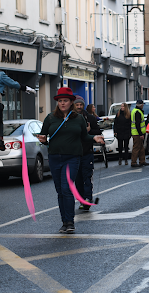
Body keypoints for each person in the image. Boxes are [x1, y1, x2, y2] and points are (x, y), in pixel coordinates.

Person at [37, 87, 104, 234]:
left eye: (65, 101)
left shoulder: (79, 119)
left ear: (71, 102)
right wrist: (42, 139)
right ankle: (64, 222)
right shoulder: (50, 118)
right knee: (60, 191)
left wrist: (94, 138)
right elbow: (44, 137)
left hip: (72, 158)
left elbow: (83, 137)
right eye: (60, 101)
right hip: (55, 158)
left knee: (67, 188)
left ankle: (70, 222)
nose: (62, 103)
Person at [74, 95, 101, 210]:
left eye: (81, 105)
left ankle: (87, 199)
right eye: (77, 105)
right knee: (78, 179)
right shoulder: (70, 118)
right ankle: (81, 199)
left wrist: (89, 132)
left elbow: (98, 131)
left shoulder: (90, 117)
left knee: (87, 177)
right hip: (74, 153)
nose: (79, 107)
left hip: (87, 152)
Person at [130, 100, 149, 167]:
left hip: (136, 132)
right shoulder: (138, 112)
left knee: (141, 147)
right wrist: (140, 134)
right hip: (137, 133)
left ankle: (142, 161)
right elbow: (137, 124)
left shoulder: (134, 110)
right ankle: (134, 162)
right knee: (136, 148)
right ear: (141, 105)